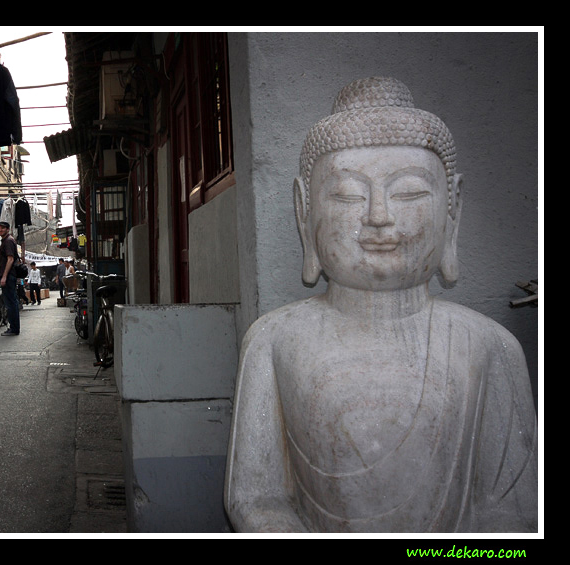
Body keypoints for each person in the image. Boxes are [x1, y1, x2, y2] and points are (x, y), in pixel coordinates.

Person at [224, 77, 537, 533]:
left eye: (408, 193)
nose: (378, 216)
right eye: (349, 195)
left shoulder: (490, 347)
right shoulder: (272, 341)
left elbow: (513, 513)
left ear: (453, 210)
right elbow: (255, 498)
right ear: (304, 212)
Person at [0, 221, 20, 336]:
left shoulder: (8, 241)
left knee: (10, 303)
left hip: (9, 276)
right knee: (12, 302)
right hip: (9, 276)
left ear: (8, 229)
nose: (0, 230)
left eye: (3, 228)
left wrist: (4, 276)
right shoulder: (7, 241)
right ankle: (14, 327)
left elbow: (10, 259)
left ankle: (14, 328)